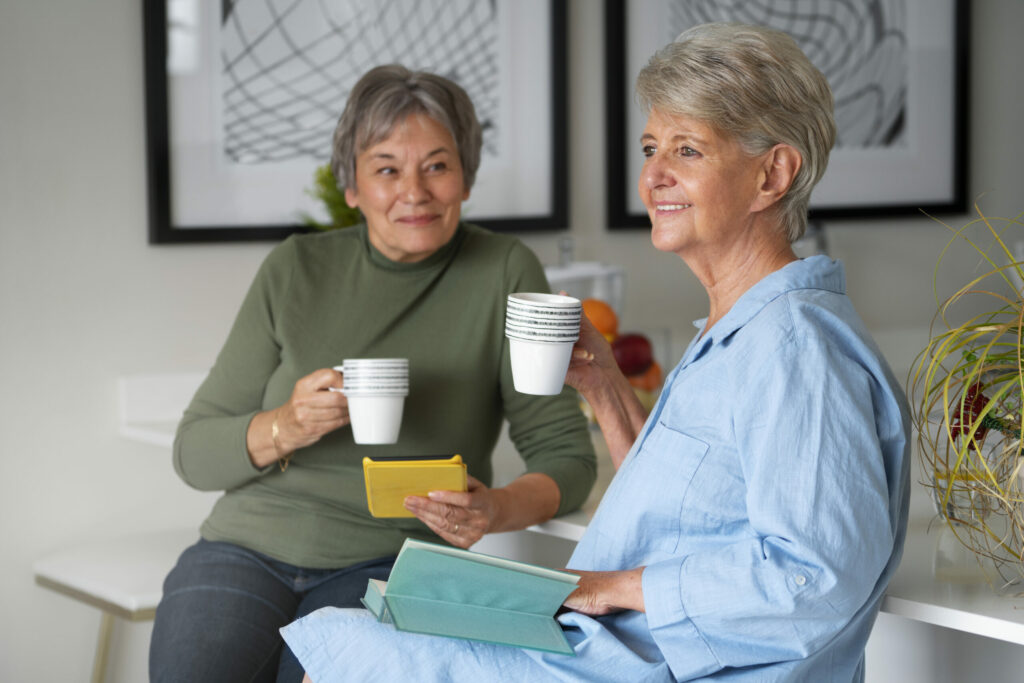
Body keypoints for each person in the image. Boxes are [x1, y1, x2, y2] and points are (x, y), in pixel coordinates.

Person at [279, 22, 911, 682]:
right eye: (650, 148)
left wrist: (617, 585)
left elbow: (816, 579)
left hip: (659, 667)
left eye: (687, 151)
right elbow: (694, 512)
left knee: (348, 650)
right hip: (613, 652)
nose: (654, 176)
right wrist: (607, 389)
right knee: (358, 634)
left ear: (773, 173)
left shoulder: (796, 348)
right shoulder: (737, 331)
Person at [148, 64, 597, 683]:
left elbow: (567, 458)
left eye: (437, 166)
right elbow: (193, 454)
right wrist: (287, 425)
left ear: (465, 176)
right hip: (245, 547)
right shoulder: (295, 269)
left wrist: (493, 508)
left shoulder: (503, 270)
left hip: (393, 557)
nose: (413, 192)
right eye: (386, 169)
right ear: (352, 186)